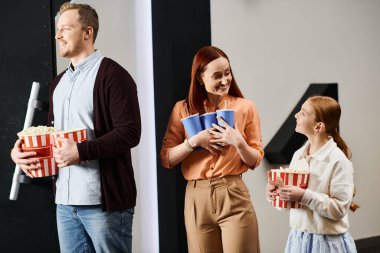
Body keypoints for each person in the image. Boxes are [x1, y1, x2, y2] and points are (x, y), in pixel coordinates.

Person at [10, 2, 141, 253]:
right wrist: (21, 153)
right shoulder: (57, 84)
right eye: (57, 29)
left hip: (104, 205)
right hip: (65, 204)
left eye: (65, 28)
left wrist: (81, 151)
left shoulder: (114, 76)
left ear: (87, 32)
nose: (58, 35)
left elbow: (129, 133)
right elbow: (54, 139)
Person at [160, 46, 264, 253]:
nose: (225, 80)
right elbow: (167, 158)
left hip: (233, 192)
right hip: (197, 196)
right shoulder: (183, 109)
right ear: (200, 78)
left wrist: (238, 142)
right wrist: (194, 141)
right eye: (217, 75)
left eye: (227, 73)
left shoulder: (245, 107)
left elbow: (254, 160)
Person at [266, 96, 357, 253]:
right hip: (298, 240)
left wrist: (303, 196)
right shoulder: (298, 155)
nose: (296, 115)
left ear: (318, 127)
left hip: (327, 244)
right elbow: (292, 204)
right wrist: (277, 194)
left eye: (303, 113)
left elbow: (338, 209)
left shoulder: (338, 162)